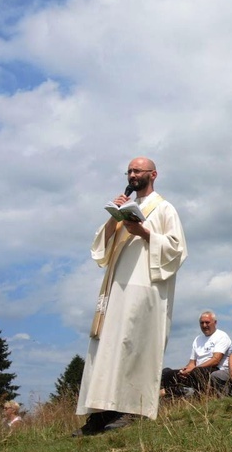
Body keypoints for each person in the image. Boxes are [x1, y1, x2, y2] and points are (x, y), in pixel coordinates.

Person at [74, 157, 187, 436]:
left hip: (144, 286)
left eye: (138, 170)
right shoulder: (126, 204)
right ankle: (101, 413)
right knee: (108, 347)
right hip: (116, 286)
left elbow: (177, 249)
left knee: (132, 343)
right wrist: (115, 218)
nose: (132, 174)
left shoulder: (164, 208)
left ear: (153, 174)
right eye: (129, 171)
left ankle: (131, 409)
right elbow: (101, 247)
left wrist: (145, 232)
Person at [160, 311, 232, 397]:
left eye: (207, 322)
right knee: (169, 374)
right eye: (202, 323)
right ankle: (174, 397)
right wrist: (185, 370)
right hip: (196, 369)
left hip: (214, 369)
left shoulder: (221, 336)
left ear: (215, 323)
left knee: (197, 372)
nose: (204, 325)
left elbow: (216, 360)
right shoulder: (198, 339)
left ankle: (200, 396)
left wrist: (193, 369)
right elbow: (192, 363)